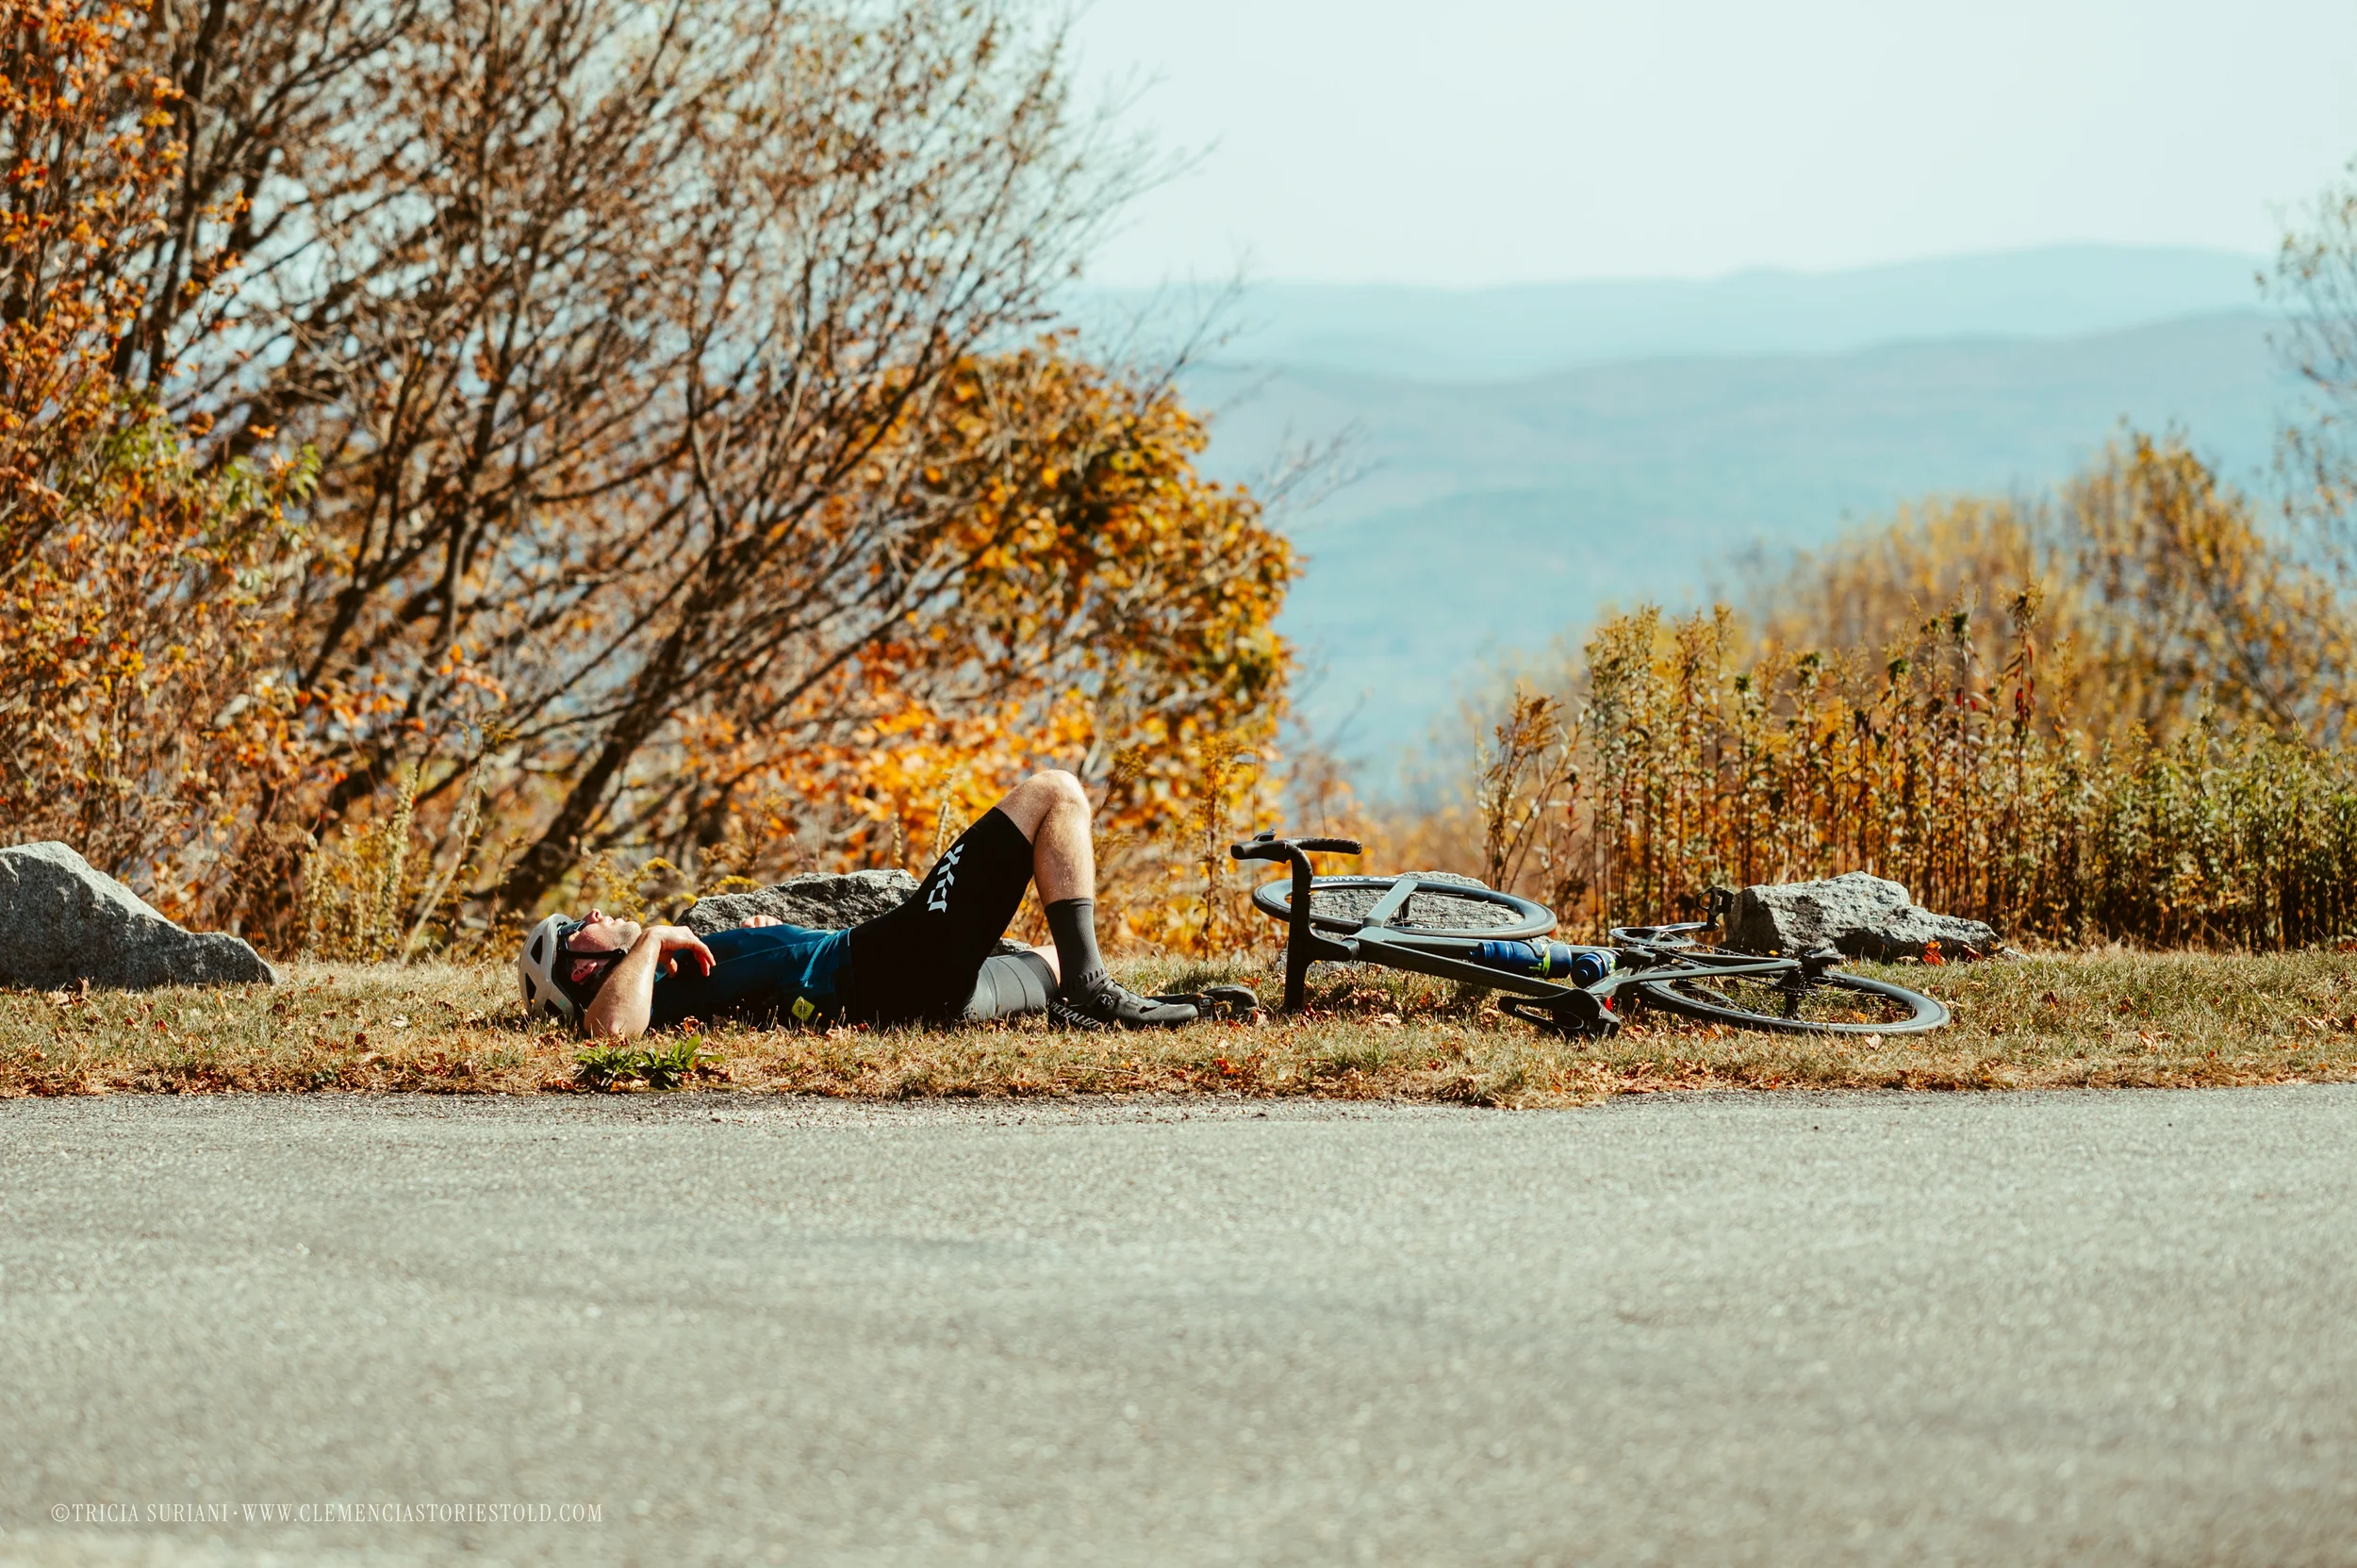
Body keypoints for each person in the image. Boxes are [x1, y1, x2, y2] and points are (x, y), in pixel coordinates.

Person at [514, 770, 1196, 1036]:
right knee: (1054, 792)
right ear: (579, 973)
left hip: (927, 996)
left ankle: (1154, 1002)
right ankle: (1093, 988)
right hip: (886, 965)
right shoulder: (642, 983)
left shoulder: (673, 979)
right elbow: (605, 1035)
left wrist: (770, 939)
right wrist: (653, 938)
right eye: (579, 929)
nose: (594, 915)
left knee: (1049, 957)